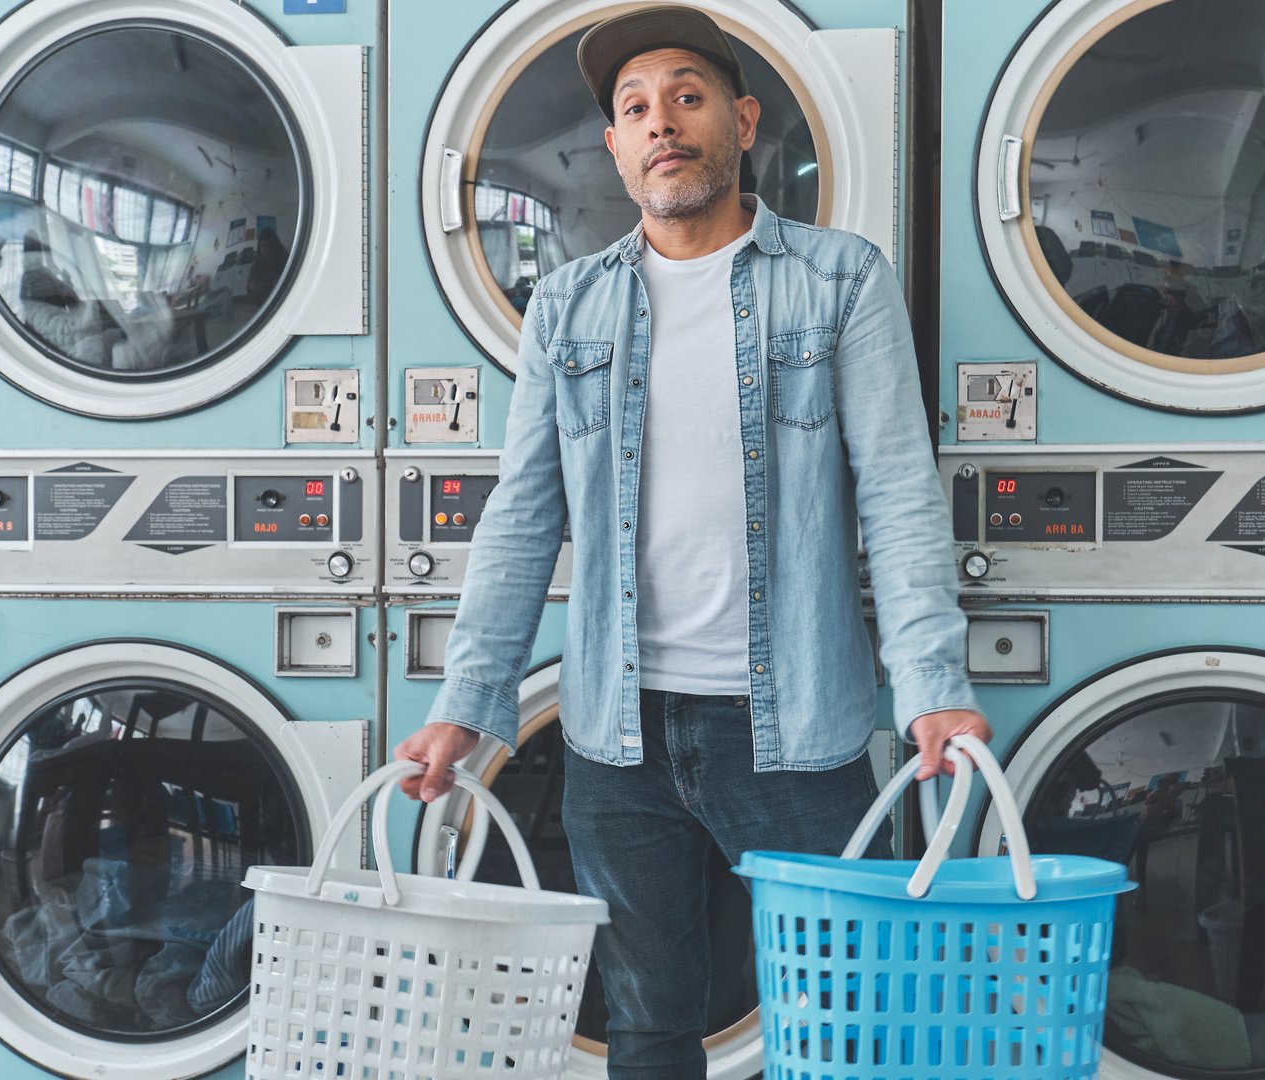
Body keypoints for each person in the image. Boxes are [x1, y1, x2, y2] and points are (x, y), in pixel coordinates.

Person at [392, 7, 989, 1076]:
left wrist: (930, 680)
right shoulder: (566, 306)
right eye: (633, 108)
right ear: (616, 150)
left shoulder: (838, 277)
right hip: (615, 737)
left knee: (843, 1021)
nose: (660, 122)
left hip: (796, 732)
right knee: (647, 1026)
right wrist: (464, 705)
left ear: (741, 120)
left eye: (686, 95)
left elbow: (898, 489)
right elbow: (522, 517)